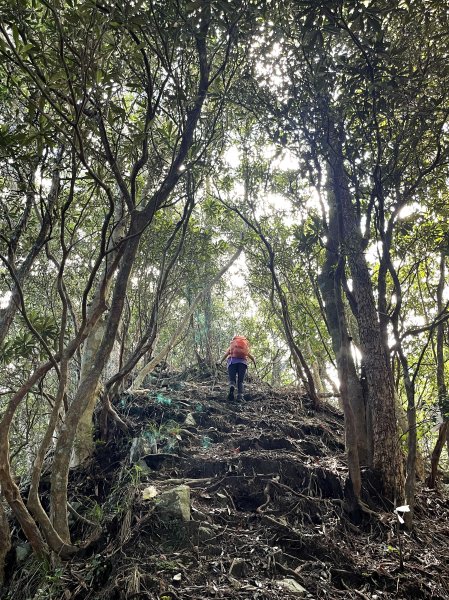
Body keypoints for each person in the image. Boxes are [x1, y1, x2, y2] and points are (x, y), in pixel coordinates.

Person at [220, 335, 256, 402]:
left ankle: (232, 386)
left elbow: (226, 355)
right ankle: (240, 396)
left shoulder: (232, 347)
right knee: (240, 381)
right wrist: (254, 362)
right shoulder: (244, 348)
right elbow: (251, 357)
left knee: (232, 379)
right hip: (242, 364)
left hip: (232, 362)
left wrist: (220, 361)